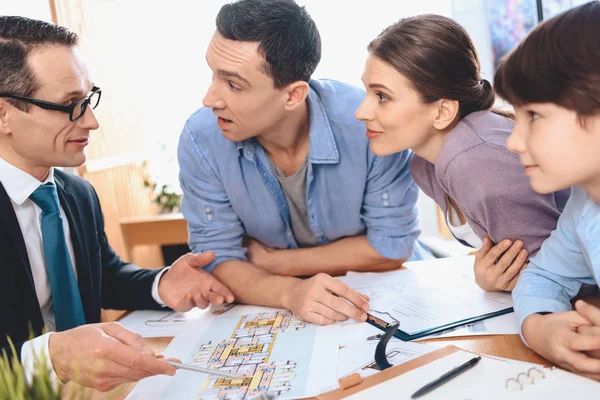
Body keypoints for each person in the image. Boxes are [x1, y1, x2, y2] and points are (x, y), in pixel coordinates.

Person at [0, 16, 234, 392]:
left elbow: (103, 277)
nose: (91, 122)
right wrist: (50, 356)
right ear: (3, 114)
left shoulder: (77, 195)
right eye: (70, 104)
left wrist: (161, 284)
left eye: (88, 98)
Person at [178, 0, 429, 326]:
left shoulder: (368, 123)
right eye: (213, 74)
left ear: (293, 95)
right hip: (275, 309)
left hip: (384, 300)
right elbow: (216, 258)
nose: (210, 99)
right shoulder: (202, 138)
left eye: (233, 85)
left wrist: (274, 262)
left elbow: (391, 246)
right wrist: (290, 293)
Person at [354, 14, 570, 292]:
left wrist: (490, 281)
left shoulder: (475, 164)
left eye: (382, 97)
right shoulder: (423, 165)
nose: (360, 112)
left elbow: (558, 278)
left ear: (443, 111)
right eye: (367, 92)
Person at [494, 1, 600, 380]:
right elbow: (544, 277)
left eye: (534, 115)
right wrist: (542, 329)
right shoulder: (586, 203)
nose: (513, 142)